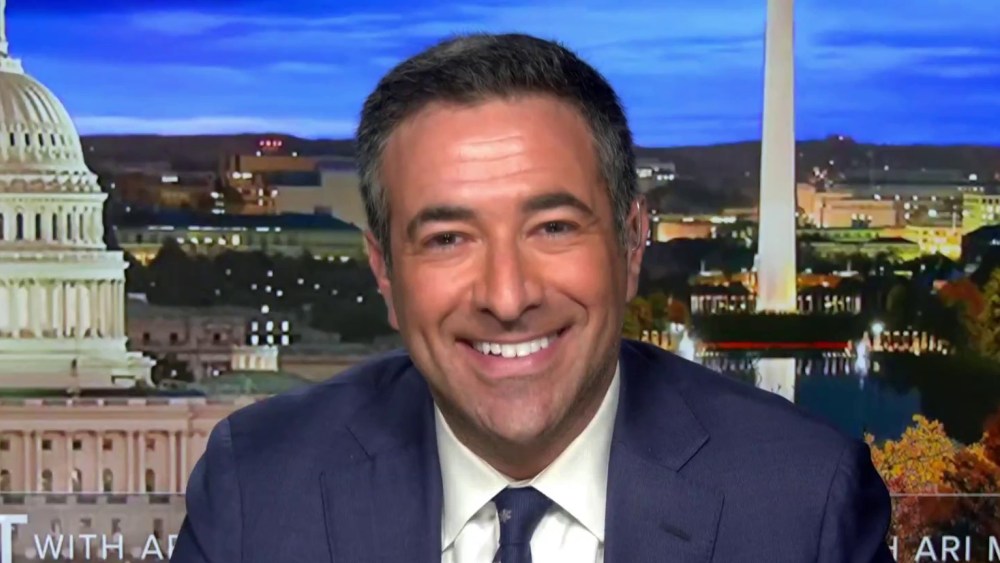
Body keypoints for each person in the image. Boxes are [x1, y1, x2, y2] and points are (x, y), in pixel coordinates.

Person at [171, 33, 894, 563]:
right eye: (449, 238)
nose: (507, 296)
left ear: (632, 243)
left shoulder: (803, 503)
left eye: (553, 228)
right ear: (384, 272)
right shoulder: (259, 488)